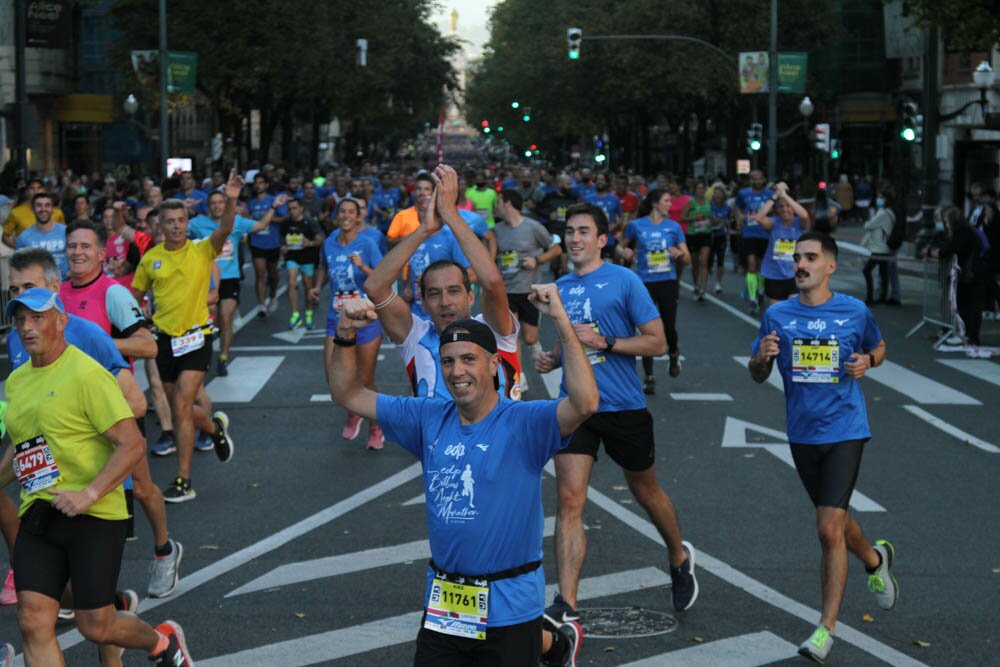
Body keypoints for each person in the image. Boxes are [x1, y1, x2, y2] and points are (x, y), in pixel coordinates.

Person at [328, 283, 598, 667]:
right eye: (449, 361)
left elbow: (586, 402)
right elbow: (348, 394)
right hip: (446, 605)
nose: (458, 372)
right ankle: (556, 646)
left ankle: (554, 644)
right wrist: (344, 335)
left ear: (493, 364)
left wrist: (561, 320)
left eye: (469, 359)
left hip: (512, 606)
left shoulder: (523, 421)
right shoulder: (427, 417)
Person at [1, 287, 194, 666]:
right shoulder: (18, 381)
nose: (27, 327)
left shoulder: (87, 374)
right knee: (32, 620)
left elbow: (132, 444)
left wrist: (87, 494)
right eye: (21, 319)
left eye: (37, 318)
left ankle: (162, 640)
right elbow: (22, 448)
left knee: (96, 626)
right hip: (40, 513)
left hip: (93, 516)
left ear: (61, 321)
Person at [536, 202, 698, 629]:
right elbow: (573, 343)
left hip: (624, 407)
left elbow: (657, 343)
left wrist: (606, 341)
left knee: (646, 491)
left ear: (602, 239)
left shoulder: (625, 280)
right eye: (569, 231)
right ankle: (566, 603)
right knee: (569, 500)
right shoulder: (561, 286)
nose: (574, 239)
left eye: (584, 232)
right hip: (576, 407)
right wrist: (553, 359)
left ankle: (679, 557)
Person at [747, 232, 897, 663]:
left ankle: (825, 629)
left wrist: (868, 361)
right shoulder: (777, 314)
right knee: (836, 518)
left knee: (828, 528)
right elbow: (757, 373)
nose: (801, 264)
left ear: (830, 266)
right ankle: (874, 559)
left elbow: (879, 345)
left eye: (810, 258)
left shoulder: (853, 311)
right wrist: (763, 357)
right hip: (802, 434)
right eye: (797, 258)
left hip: (845, 430)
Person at [58, 223, 184, 598]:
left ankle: (164, 550)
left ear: (102, 254)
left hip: (116, 407)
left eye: (85, 246)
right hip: (71, 411)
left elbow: (148, 346)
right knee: (72, 489)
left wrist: (98, 342)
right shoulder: (55, 293)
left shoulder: (112, 293)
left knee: (143, 488)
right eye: (71, 246)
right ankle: (76, 589)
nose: (77, 252)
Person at [364, 165, 521, 401]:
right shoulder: (415, 336)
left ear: (470, 296)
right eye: (435, 294)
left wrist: (450, 214)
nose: (445, 302)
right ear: (423, 302)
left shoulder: (494, 330)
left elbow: (492, 282)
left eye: (454, 291)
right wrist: (424, 230)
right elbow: (375, 287)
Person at [131, 173, 242, 502]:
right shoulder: (151, 259)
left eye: (181, 220)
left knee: (181, 405)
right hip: (165, 340)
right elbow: (135, 295)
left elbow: (224, 229)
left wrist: (232, 198)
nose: (177, 226)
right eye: (170, 222)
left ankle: (184, 480)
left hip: (197, 337)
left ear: (187, 222)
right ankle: (213, 428)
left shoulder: (202, 251)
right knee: (178, 407)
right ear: (160, 226)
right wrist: (135, 322)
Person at [309, 198, 385, 449]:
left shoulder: (368, 243)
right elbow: (323, 267)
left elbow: (383, 277)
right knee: (333, 377)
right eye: (342, 211)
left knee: (365, 377)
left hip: (365, 320)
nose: (346, 216)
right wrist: (317, 287)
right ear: (336, 215)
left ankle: (375, 426)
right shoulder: (330, 242)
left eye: (351, 212)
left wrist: (363, 266)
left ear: (358, 216)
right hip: (336, 319)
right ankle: (353, 409)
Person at [189, 190, 278, 375]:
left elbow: (262, 225)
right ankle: (202, 353)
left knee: (225, 316)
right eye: (213, 203)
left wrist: (273, 207)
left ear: (226, 204)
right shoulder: (198, 223)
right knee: (210, 320)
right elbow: (175, 231)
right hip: (205, 278)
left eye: (221, 202)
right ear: (208, 207)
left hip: (229, 278)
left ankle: (222, 358)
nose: (217, 206)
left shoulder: (236, 222)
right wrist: (183, 208)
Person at [621, 189, 690, 391]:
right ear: (654, 203)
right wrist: (624, 251)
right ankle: (649, 376)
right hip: (645, 283)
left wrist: (679, 255)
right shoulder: (636, 225)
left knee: (668, 327)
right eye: (667, 201)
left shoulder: (674, 227)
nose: (670, 205)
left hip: (668, 282)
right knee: (647, 330)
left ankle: (674, 354)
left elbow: (688, 258)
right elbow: (620, 246)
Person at [493, 189, 562, 393]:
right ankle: (518, 376)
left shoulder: (533, 227)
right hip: (506, 291)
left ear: (508, 204)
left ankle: (536, 350)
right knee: (511, 335)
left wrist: (537, 260)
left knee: (530, 337)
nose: (495, 206)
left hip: (529, 291)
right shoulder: (497, 230)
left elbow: (556, 248)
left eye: (498, 201)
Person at [752, 182, 813, 306]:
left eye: (788, 206)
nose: (785, 209)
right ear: (776, 209)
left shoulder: (799, 224)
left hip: (795, 274)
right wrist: (775, 195)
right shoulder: (773, 223)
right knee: (777, 314)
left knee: (792, 311)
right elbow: (758, 217)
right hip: (774, 274)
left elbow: (804, 214)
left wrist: (784, 195)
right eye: (780, 206)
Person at [936, 206, 989, 346]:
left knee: (967, 306)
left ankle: (969, 335)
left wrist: (938, 252)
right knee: (969, 306)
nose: (945, 224)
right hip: (971, 273)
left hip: (968, 274)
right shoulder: (968, 231)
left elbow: (953, 249)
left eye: (946, 221)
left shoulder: (962, 232)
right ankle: (968, 335)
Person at [247, 173, 288, 318]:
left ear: (266, 185)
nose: (258, 185)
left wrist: (268, 218)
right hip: (257, 242)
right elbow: (247, 219)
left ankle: (273, 294)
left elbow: (284, 217)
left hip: (272, 242)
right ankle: (261, 305)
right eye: (256, 183)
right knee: (260, 274)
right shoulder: (251, 203)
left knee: (272, 274)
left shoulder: (273, 200)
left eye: (261, 182)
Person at [281, 197, 325, 330]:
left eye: (294, 208)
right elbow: (282, 239)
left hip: (307, 258)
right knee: (292, 282)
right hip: (292, 257)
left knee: (308, 287)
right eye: (289, 209)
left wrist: (310, 243)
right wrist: (283, 247)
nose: (292, 211)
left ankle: (308, 312)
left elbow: (320, 239)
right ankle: (295, 314)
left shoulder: (310, 222)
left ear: (301, 209)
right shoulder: (285, 223)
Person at [735, 170, 774, 313]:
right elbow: (737, 207)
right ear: (750, 181)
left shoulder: (770, 194)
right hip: (749, 233)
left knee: (763, 267)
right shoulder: (743, 193)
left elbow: (776, 210)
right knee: (751, 266)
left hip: (765, 234)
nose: (757, 182)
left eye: (760, 179)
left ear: (764, 179)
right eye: (754, 179)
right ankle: (752, 299)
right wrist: (739, 216)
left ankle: (761, 290)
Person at [15, 192, 69, 277]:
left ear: (52, 209)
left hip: (65, 285)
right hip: (37, 286)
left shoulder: (67, 232)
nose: (43, 209)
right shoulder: (23, 238)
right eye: (39, 205)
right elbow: (19, 267)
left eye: (47, 205)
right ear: (32, 210)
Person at [3, 179, 66, 248]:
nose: (36, 191)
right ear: (26, 192)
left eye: (39, 188)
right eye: (32, 188)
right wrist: (19, 249)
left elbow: (64, 234)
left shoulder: (57, 212)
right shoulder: (16, 212)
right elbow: (5, 236)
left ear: (44, 191)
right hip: (27, 256)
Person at [861, 188, 895, 305]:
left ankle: (870, 297)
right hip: (882, 247)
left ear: (886, 199)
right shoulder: (887, 212)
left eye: (881, 197)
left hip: (879, 248)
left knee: (866, 270)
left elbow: (868, 225)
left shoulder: (884, 214)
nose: (878, 199)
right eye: (878, 197)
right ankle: (882, 297)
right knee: (883, 273)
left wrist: (867, 223)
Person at [682, 180, 714, 300]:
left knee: (704, 262)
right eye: (698, 188)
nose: (701, 190)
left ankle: (703, 288)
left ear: (705, 190)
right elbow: (682, 218)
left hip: (706, 234)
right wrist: (695, 218)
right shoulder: (690, 203)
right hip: (693, 235)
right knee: (695, 264)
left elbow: (715, 219)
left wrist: (712, 219)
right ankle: (696, 285)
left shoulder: (709, 202)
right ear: (694, 190)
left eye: (703, 188)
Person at [708, 186, 732, 294]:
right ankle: (707, 271)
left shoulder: (727, 208)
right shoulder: (709, 206)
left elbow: (728, 221)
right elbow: (712, 220)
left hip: (721, 236)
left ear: (723, 196)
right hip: (709, 235)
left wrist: (729, 230)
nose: (717, 195)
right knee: (709, 260)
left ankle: (718, 283)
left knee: (720, 260)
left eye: (719, 193)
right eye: (715, 193)